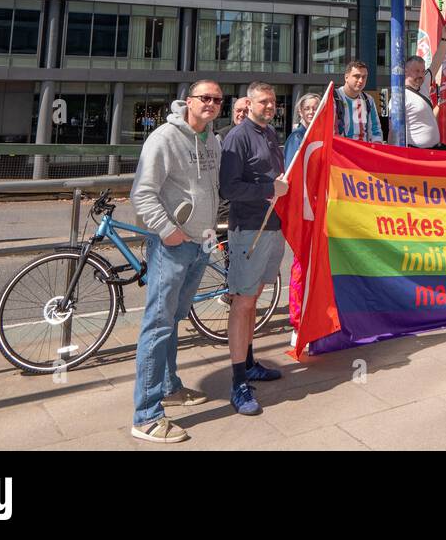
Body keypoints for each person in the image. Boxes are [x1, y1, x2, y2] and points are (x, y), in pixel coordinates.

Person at [129, 80, 224, 443]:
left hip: (200, 243)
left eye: (217, 100)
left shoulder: (211, 141)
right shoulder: (165, 138)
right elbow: (142, 192)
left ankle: (169, 387)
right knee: (157, 324)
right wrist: (167, 230)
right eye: (205, 98)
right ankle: (146, 416)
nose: (211, 104)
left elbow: (210, 190)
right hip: (172, 245)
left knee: (173, 320)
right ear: (188, 101)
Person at [219, 81, 289, 416]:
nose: (270, 106)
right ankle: (237, 382)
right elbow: (228, 187)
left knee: (254, 299)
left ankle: (248, 362)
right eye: (263, 101)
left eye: (273, 101)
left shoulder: (270, 134)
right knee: (243, 303)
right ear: (249, 103)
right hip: (249, 229)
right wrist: (267, 189)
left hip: (273, 227)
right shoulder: (238, 136)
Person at [388, 55, 442, 149]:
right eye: (417, 71)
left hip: (433, 151)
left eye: (422, 71)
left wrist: (444, 40)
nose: (421, 75)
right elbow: (393, 130)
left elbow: (435, 65)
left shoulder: (423, 86)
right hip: (415, 153)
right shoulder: (399, 97)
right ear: (406, 72)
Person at [333, 60, 383, 143]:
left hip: (362, 151)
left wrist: (376, 146)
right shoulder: (334, 98)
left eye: (364, 77)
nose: (361, 80)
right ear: (346, 78)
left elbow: (376, 130)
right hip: (340, 151)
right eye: (357, 76)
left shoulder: (368, 100)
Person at [284, 91, 321, 166]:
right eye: (307, 109)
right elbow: (291, 168)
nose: (311, 112)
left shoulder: (318, 135)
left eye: (315, 109)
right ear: (300, 112)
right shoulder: (296, 137)